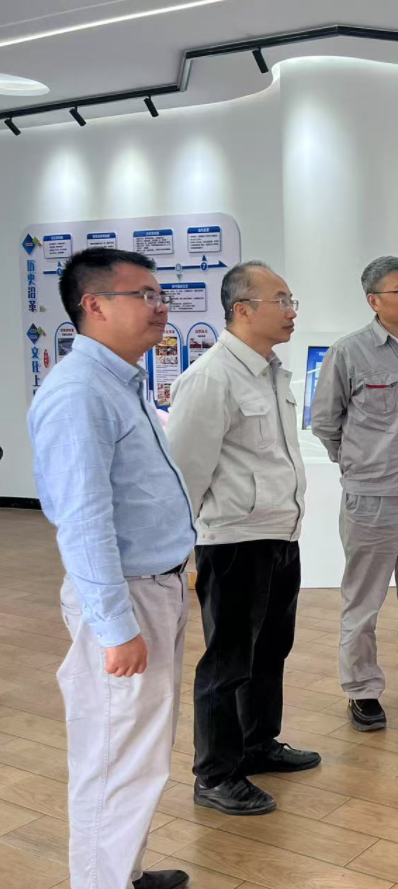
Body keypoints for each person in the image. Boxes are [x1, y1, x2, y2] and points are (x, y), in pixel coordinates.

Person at [27, 247, 194, 889]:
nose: (160, 308)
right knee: (114, 755)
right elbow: (84, 522)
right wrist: (116, 627)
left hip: (156, 587)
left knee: (139, 751)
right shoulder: (79, 394)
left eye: (160, 295)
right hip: (126, 597)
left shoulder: (121, 381)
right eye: (143, 296)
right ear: (94, 305)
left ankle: (122, 872)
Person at [167, 261, 319, 816]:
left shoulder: (272, 372)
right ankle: (215, 774)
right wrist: (179, 555)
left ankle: (257, 743)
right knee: (228, 662)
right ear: (243, 310)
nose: (292, 310)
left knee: (271, 649)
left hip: (280, 533)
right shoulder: (210, 378)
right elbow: (185, 473)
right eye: (282, 300)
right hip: (234, 541)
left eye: (292, 299)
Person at [312, 255, 398, 730]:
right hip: (371, 496)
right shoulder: (349, 352)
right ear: (374, 301)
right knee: (364, 601)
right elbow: (326, 422)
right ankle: (362, 688)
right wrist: (361, 464)